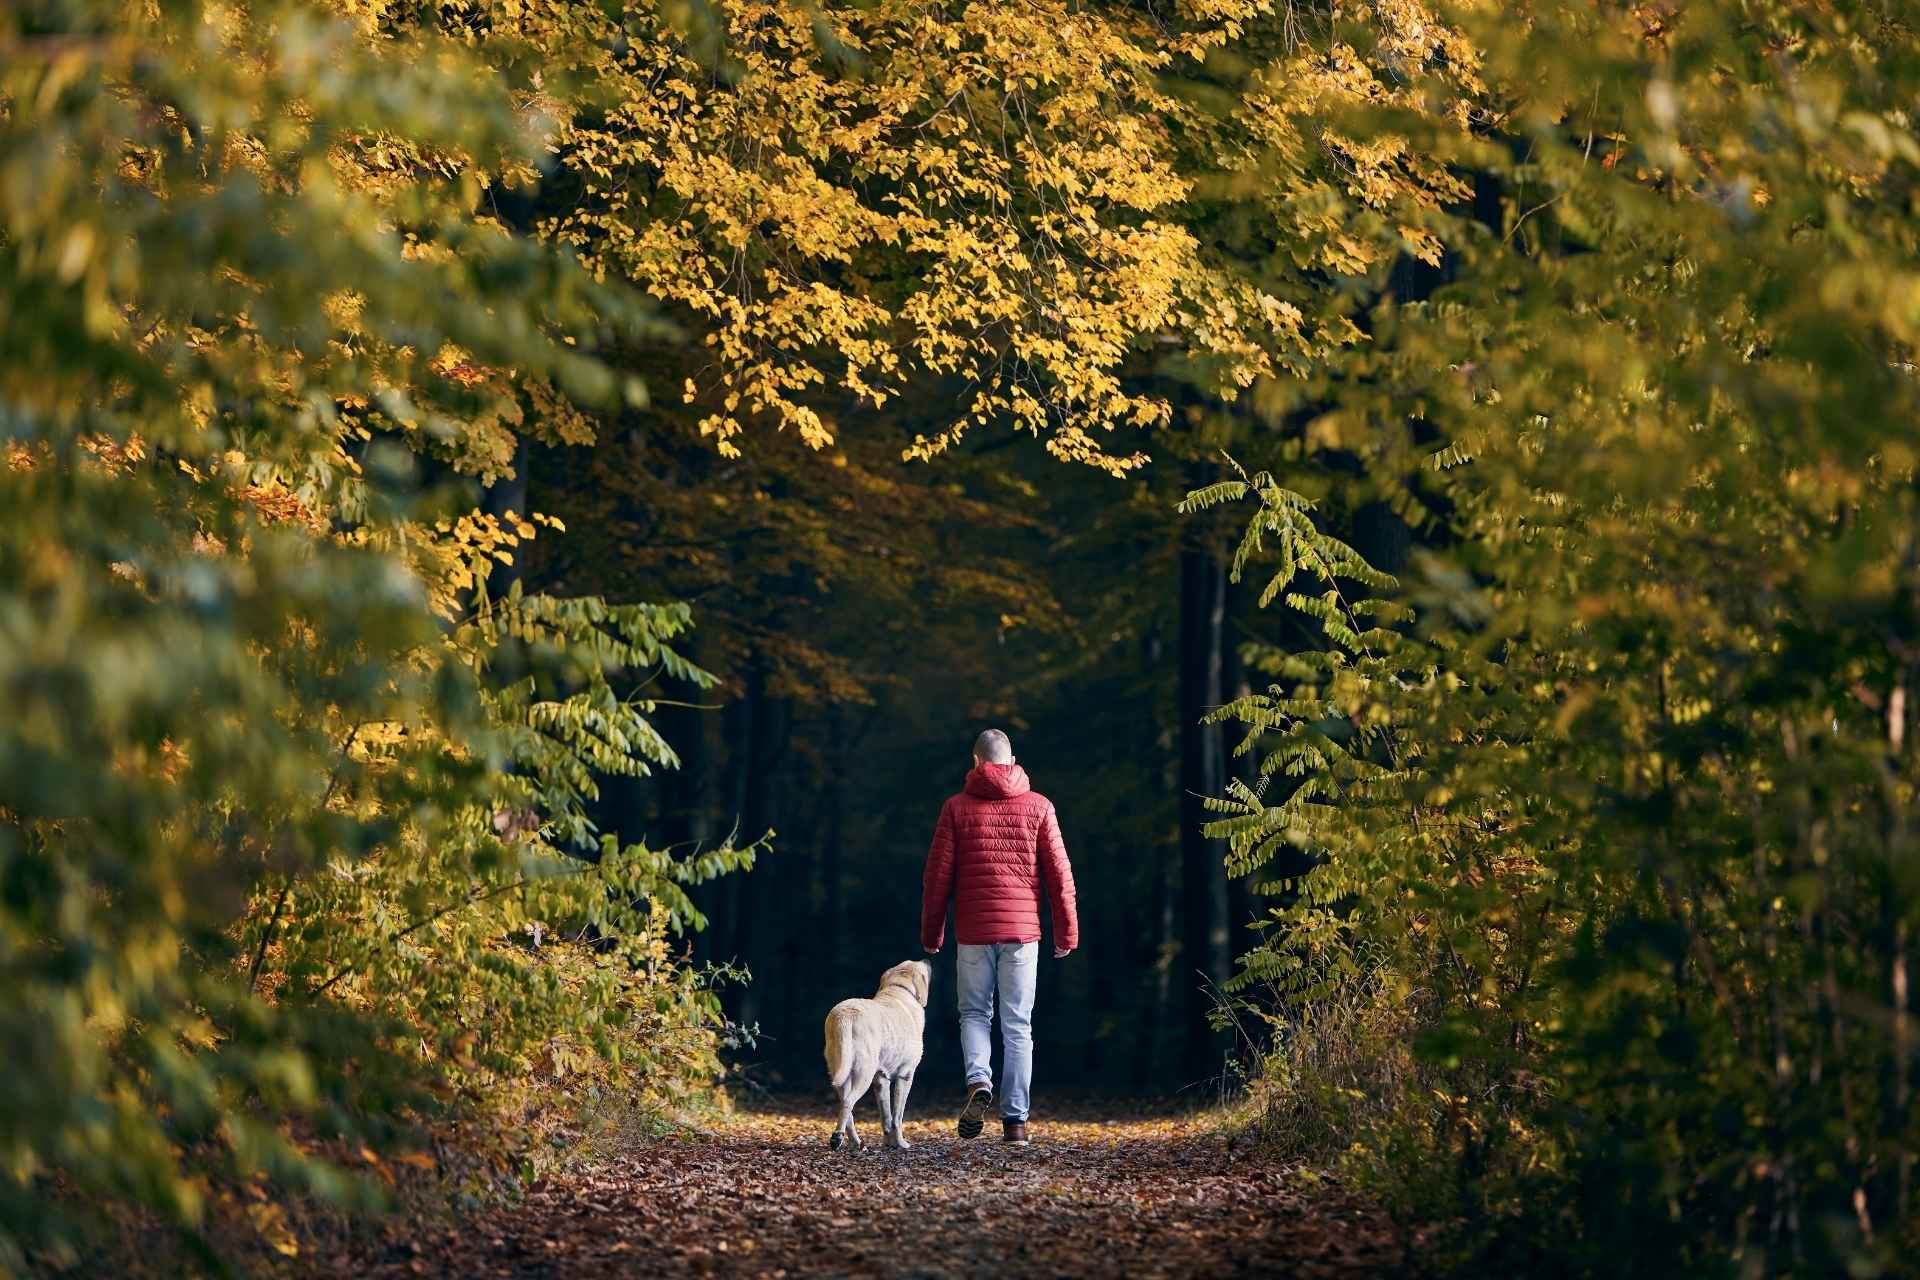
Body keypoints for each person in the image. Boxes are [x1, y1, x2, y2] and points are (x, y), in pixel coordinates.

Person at [919, 728, 1078, 1145]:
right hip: (1023, 934)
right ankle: (1016, 1123)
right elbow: (1060, 878)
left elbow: (937, 879)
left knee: (974, 1015)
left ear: (976, 763)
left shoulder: (955, 809)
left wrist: (932, 934)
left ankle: (977, 1081)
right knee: (1018, 1026)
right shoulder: (1040, 807)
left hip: (973, 932)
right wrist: (1066, 931)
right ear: (1012, 761)